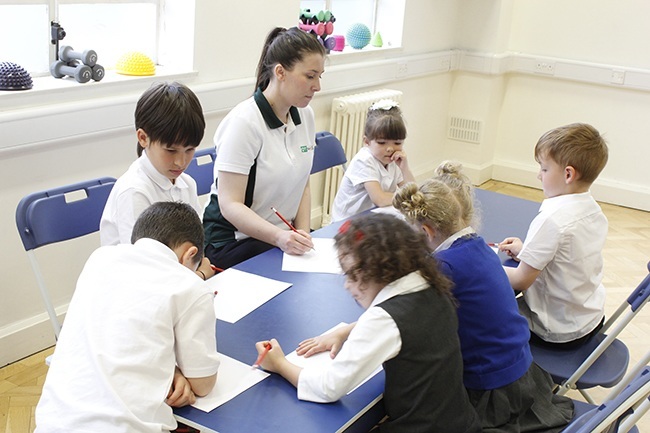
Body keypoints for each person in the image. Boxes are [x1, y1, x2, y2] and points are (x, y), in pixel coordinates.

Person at [254, 213, 482, 433]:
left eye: (352, 275)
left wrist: (280, 364)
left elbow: (328, 388)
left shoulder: (384, 319)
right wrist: (346, 331)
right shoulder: (429, 284)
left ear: (379, 271)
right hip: (460, 421)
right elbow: (405, 322)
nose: (347, 285)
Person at [393, 166, 573, 432]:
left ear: (427, 231)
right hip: (523, 374)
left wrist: (346, 332)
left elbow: (403, 318)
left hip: (490, 391)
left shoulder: (445, 267)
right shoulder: (479, 244)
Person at [35, 201, 220, 433]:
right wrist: (180, 371)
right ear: (190, 254)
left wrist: (169, 370)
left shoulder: (99, 259)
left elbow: (120, 330)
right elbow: (203, 385)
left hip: (51, 423)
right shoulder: (190, 285)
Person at [202, 27, 324, 269]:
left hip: (280, 236)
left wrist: (301, 232)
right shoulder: (244, 123)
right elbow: (230, 205)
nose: (317, 86)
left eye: (320, 76)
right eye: (310, 76)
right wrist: (280, 237)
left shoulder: (305, 116)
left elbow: (303, 183)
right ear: (280, 72)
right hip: (234, 240)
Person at [497, 123, 609, 348]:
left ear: (568, 174)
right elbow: (566, 259)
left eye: (544, 169)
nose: (539, 176)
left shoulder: (551, 219)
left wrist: (480, 264)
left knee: (481, 310)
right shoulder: (593, 210)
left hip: (554, 330)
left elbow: (520, 279)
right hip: (589, 320)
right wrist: (527, 252)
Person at [100, 81, 215, 280]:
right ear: (143, 138)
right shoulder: (134, 191)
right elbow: (144, 272)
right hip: (138, 290)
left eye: (189, 150)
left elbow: (197, 249)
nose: (181, 161)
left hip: (177, 283)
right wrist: (200, 275)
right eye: (171, 150)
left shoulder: (186, 184)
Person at [331, 100, 415, 221]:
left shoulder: (395, 160)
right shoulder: (364, 160)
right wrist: (407, 198)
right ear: (366, 142)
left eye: (397, 143)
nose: (390, 148)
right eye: (382, 143)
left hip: (372, 218)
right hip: (347, 223)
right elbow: (379, 199)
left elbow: (413, 192)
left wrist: (404, 167)